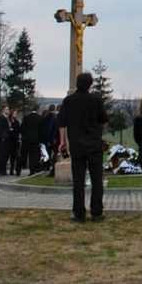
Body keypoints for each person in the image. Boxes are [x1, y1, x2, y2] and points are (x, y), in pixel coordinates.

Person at [58, 72, 108, 222]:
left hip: (77, 145)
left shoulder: (68, 101)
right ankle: (96, 212)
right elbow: (104, 119)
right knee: (97, 180)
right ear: (90, 84)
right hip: (94, 144)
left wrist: (63, 142)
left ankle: (79, 213)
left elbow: (61, 123)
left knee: (78, 181)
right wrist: (99, 132)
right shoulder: (96, 100)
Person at [19, 106, 42, 175]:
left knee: (24, 155)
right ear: (37, 110)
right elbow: (41, 130)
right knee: (33, 155)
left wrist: (24, 136)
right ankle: (32, 170)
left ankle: (18, 169)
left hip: (26, 139)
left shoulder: (26, 118)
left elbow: (22, 129)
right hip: (36, 140)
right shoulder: (40, 118)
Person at [7, 109, 21, 175]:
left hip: (15, 141)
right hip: (9, 141)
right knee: (9, 156)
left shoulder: (17, 121)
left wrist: (12, 130)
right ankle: (10, 170)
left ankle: (14, 170)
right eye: (14, 113)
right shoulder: (9, 121)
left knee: (15, 156)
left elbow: (18, 130)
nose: (15, 114)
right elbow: (8, 130)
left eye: (16, 113)